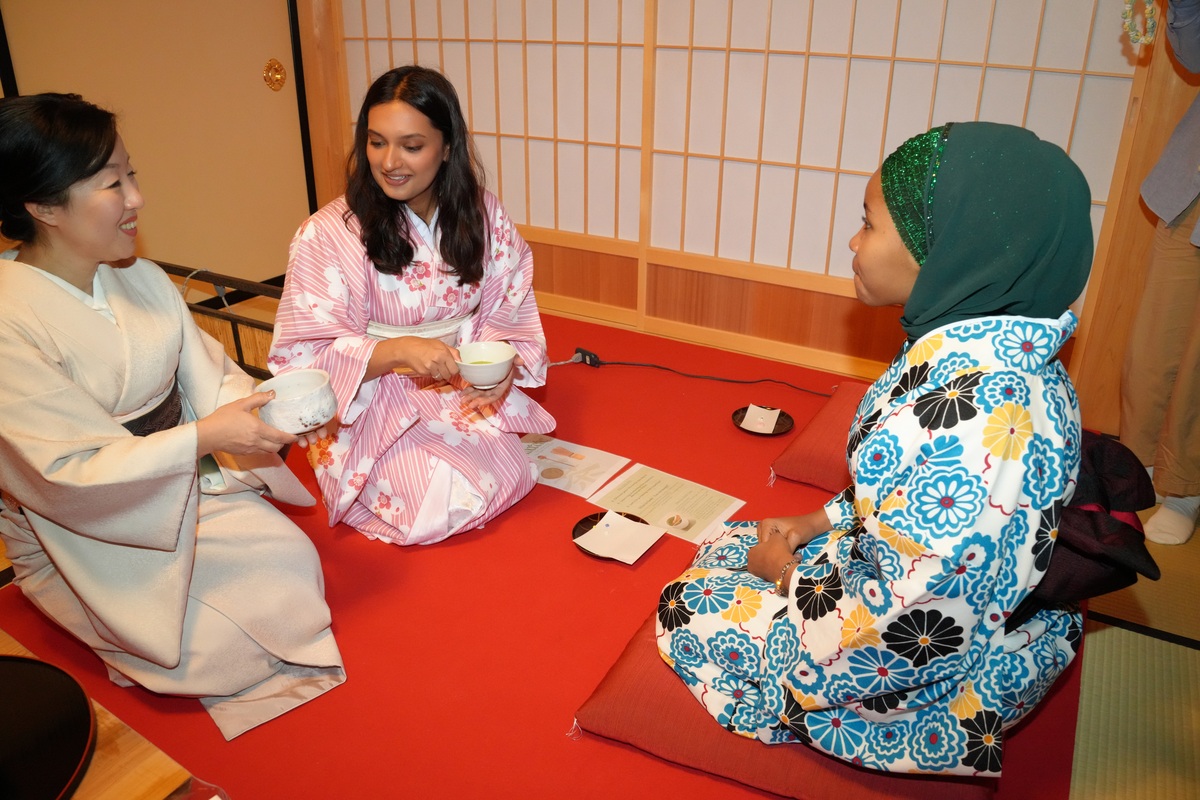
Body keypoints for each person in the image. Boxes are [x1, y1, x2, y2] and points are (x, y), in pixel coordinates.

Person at [655, 122, 1091, 776]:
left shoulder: (972, 419)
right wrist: (819, 521)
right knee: (731, 542)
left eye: (870, 224)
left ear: (947, 251)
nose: (855, 242)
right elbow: (909, 506)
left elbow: (904, 624)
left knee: (684, 602)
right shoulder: (1010, 352)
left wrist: (784, 575)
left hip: (923, 672)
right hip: (966, 600)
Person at [0, 93, 345, 740]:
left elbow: (209, 379)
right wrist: (209, 436)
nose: (136, 198)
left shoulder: (143, 279)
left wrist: (265, 414)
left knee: (290, 570)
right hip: (77, 529)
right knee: (203, 648)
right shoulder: (7, 323)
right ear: (43, 207)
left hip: (179, 486)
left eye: (134, 174)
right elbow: (64, 471)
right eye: (112, 183)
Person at [270, 65, 555, 546]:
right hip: (373, 399)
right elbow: (304, 352)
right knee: (438, 508)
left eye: (412, 145)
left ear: (447, 148)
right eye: (376, 142)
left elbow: (507, 303)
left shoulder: (481, 213)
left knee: (509, 477)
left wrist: (499, 363)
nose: (390, 162)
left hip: (456, 384)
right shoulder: (328, 232)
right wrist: (399, 351)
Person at [1120, 0, 1200, 545]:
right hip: (1192, 183)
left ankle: (1185, 488)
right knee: (1154, 340)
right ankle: (1135, 466)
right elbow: (1194, 55)